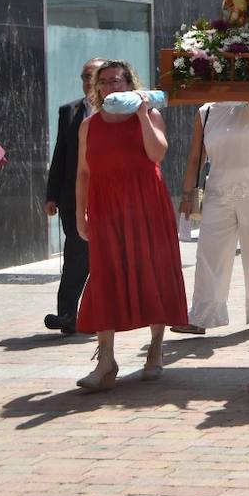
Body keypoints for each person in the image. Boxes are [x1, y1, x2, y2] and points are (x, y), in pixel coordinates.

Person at [73, 60, 188, 389]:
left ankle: (155, 348)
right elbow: (83, 172)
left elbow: (157, 155)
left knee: (152, 270)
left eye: (118, 80)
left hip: (145, 204)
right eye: (105, 81)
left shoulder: (150, 116)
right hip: (105, 207)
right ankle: (106, 360)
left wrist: (141, 114)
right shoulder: (89, 125)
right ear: (98, 88)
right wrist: (81, 212)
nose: (112, 86)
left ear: (130, 84)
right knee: (105, 275)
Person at [172, 101, 249, 335]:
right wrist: (186, 195)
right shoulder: (205, 111)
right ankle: (201, 316)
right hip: (218, 191)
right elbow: (195, 157)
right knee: (209, 253)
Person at [43, 57, 104, 334]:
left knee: (103, 257)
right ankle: (67, 314)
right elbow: (60, 154)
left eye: (92, 76)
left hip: (108, 193)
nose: (87, 82)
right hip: (72, 195)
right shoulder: (69, 111)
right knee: (76, 253)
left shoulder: (119, 110)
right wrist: (51, 194)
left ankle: (101, 313)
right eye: (83, 76)